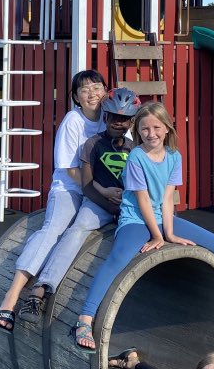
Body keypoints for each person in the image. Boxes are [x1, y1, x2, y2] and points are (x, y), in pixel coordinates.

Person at [73, 102, 214, 351]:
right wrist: (157, 236)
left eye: (156, 127)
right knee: (119, 257)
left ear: (167, 128)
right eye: (144, 129)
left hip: (161, 217)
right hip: (135, 218)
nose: (151, 133)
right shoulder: (136, 157)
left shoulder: (174, 157)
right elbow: (143, 200)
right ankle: (84, 319)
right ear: (137, 131)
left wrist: (170, 233)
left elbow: (167, 198)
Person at [0, 69, 106, 331]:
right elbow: (69, 169)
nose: (92, 93)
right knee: (54, 229)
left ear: (105, 90)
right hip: (70, 187)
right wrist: (98, 189)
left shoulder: (111, 118)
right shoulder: (73, 121)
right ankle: (10, 297)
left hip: (96, 190)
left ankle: (40, 290)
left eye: (97, 87)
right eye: (84, 89)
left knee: (79, 230)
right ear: (76, 97)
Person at [17, 88, 142, 323]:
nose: (118, 122)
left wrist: (127, 205)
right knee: (77, 228)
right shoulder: (92, 144)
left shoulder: (135, 147)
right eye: (113, 117)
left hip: (129, 207)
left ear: (131, 121)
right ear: (105, 117)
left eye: (124, 119)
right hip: (98, 203)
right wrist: (108, 203)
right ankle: (40, 291)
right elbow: (86, 186)